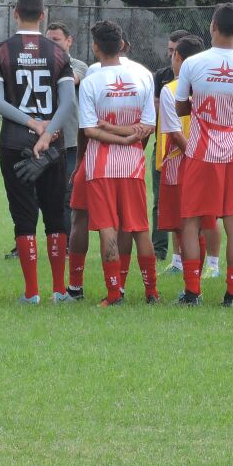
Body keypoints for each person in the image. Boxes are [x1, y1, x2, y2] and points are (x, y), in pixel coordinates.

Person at [0, 0, 77, 304]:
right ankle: (59, 290)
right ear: (43, 15)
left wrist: (32, 124)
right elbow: (67, 102)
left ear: (15, 14)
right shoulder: (57, 52)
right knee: (55, 212)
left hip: (15, 140)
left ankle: (31, 292)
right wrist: (47, 130)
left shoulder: (1, 51)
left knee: (23, 215)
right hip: (53, 143)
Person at [170, 2, 233, 306]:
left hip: (200, 152)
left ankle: (192, 292)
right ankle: (232, 294)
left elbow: (181, 106)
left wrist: (199, 104)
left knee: (191, 221)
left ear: (212, 26)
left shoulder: (193, 64)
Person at [75, 20, 159, 305]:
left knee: (107, 226)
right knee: (139, 227)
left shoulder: (90, 81)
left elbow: (89, 130)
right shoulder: (144, 76)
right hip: (133, 162)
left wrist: (110, 130)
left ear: (96, 48)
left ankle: (114, 294)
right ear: (122, 46)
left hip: (100, 164)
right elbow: (147, 126)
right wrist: (127, 137)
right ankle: (152, 292)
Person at [155, 34, 205, 274]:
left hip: (181, 162)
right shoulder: (208, 85)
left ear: (177, 56)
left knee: (183, 223)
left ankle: (189, 275)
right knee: (203, 221)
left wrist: (192, 154)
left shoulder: (170, 90)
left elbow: (174, 133)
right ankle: (207, 268)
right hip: (209, 159)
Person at [45, 21, 89, 237]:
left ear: (69, 41)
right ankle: (25, 242)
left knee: (67, 194)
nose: (52, 45)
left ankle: (67, 243)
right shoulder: (41, 66)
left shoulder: (78, 65)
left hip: (71, 142)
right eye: (48, 40)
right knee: (35, 193)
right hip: (43, 139)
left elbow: (72, 79)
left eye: (56, 40)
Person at [150, 29, 190, 261]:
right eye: (170, 50)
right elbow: (155, 111)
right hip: (164, 146)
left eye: (176, 51)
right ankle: (161, 250)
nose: (172, 56)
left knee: (194, 209)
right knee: (161, 201)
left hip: (183, 147)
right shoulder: (162, 76)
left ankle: (202, 263)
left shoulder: (196, 79)